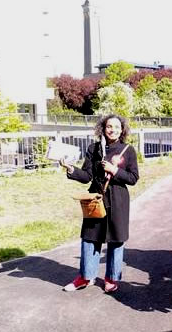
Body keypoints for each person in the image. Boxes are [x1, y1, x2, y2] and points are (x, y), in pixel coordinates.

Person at [61, 114, 139, 293]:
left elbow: (133, 178)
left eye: (117, 127)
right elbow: (87, 176)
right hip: (95, 198)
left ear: (122, 130)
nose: (113, 130)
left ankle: (112, 277)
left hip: (118, 200)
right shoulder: (93, 148)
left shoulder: (128, 150)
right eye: (109, 126)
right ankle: (85, 277)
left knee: (116, 239)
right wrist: (71, 169)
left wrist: (115, 170)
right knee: (89, 238)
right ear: (103, 128)